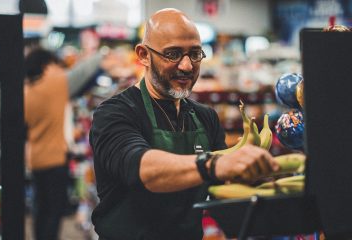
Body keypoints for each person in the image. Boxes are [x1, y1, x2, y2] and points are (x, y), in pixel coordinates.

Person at [89, 8, 280, 240]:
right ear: (143, 55)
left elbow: (222, 189)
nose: (187, 66)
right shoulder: (114, 113)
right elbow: (142, 169)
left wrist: (256, 176)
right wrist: (212, 164)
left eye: (195, 54)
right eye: (173, 54)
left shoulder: (205, 117)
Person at [24, 47, 120, 240]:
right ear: (46, 65)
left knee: (40, 209)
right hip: (54, 158)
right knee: (53, 211)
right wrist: (101, 55)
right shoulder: (54, 84)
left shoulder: (27, 90)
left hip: (35, 157)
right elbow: (82, 73)